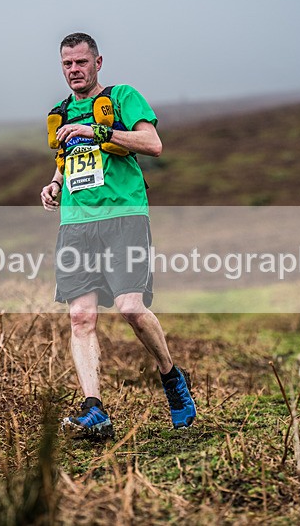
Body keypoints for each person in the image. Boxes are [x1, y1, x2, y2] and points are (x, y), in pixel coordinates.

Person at [40, 32, 196, 440]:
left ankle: (173, 379)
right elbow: (68, 156)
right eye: (67, 64)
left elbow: (153, 144)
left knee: (130, 308)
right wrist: (55, 183)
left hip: (124, 215)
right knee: (80, 316)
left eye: (81, 62)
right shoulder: (59, 112)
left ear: (97, 62)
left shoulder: (121, 97)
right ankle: (95, 410)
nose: (74, 70)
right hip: (76, 223)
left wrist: (98, 133)